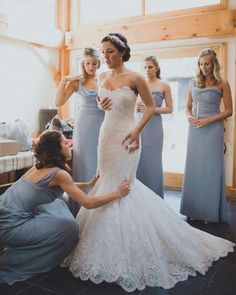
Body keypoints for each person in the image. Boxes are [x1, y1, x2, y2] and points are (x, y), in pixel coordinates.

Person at [65, 34, 235, 292]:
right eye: (103, 52)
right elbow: (102, 103)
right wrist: (101, 101)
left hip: (127, 138)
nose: (106, 57)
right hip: (105, 136)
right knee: (106, 181)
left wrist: (136, 132)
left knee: (125, 185)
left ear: (122, 52)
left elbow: (149, 108)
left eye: (110, 52)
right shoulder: (101, 77)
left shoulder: (135, 78)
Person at [0, 130, 130, 285]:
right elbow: (88, 203)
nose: (69, 144)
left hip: (6, 215)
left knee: (57, 201)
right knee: (69, 229)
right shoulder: (59, 174)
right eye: (64, 142)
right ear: (57, 149)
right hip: (10, 227)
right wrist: (118, 193)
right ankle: (21, 260)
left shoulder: (39, 167)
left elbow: (66, 186)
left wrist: (88, 184)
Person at [180, 48, 233, 223]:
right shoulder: (192, 82)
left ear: (214, 64)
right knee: (195, 168)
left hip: (213, 129)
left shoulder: (222, 83)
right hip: (195, 128)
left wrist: (209, 120)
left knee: (211, 170)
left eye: (207, 64)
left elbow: (229, 111)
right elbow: (187, 107)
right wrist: (189, 117)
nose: (204, 67)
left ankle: (209, 212)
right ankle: (193, 209)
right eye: (201, 64)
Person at [55, 47, 104, 216]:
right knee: (84, 163)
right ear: (83, 63)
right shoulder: (77, 82)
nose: (91, 66)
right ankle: (80, 210)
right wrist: (64, 80)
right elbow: (58, 101)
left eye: (94, 63)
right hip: (84, 126)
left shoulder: (104, 79)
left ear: (99, 63)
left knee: (100, 163)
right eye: (88, 63)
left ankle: (98, 208)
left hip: (103, 125)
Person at [135, 55, 173, 197]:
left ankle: (155, 196)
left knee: (153, 162)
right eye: (144, 67)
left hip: (154, 126)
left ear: (156, 68)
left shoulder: (164, 85)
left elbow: (170, 109)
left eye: (150, 67)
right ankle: (139, 197)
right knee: (138, 160)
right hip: (138, 124)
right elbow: (132, 104)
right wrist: (136, 108)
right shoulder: (138, 84)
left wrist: (151, 109)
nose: (147, 70)